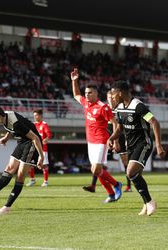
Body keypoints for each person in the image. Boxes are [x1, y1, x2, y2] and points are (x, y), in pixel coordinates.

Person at [108, 81, 166, 216]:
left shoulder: (138, 106)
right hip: (131, 146)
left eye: (113, 94)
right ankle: (146, 203)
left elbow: (154, 123)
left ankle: (150, 202)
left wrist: (158, 145)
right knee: (134, 175)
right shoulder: (120, 108)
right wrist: (111, 138)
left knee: (130, 172)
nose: (112, 97)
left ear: (120, 93)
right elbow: (120, 128)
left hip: (144, 143)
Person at [0, 106, 44, 215]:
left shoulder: (16, 123)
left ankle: (7, 207)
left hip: (31, 144)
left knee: (20, 176)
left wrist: (41, 156)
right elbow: (11, 129)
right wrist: (6, 138)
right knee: (9, 168)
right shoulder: (5, 117)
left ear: (0, 117)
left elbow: (35, 138)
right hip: (21, 143)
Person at [70, 68, 122, 203]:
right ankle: (111, 194)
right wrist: (74, 81)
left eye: (90, 93)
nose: (86, 95)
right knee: (96, 171)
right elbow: (76, 95)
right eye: (86, 93)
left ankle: (116, 184)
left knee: (96, 169)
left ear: (96, 93)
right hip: (90, 142)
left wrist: (115, 141)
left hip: (101, 141)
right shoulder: (86, 103)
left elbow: (115, 123)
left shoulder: (103, 107)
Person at [83, 91, 131, 193]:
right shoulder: (104, 108)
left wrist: (118, 141)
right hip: (105, 140)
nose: (111, 99)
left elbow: (123, 127)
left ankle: (129, 185)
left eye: (113, 98)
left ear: (116, 98)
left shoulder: (121, 110)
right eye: (109, 97)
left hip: (119, 139)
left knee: (125, 162)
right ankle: (94, 185)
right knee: (98, 165)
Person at [26, 109, 51, 187]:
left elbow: (49, 134)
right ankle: (32, 180)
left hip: (43, 148)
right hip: (33, 148)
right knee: (30, 164)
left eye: (36, 115)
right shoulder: (33, 124)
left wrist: (46, 139)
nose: (35, 117)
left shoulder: (44, 124)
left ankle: (46, 181)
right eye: (34, 116)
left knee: (44, 165)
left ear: (41, 115)